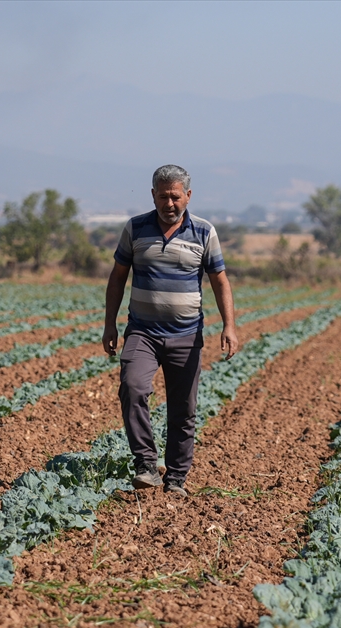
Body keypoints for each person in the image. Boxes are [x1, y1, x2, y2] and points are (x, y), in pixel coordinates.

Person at [102, 164, 237, 497]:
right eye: (163, 196)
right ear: (153, 196)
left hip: (186, 336)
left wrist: (229, 326)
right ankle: (146, 465)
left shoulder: (204, 232)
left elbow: (220, 281)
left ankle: (176, 477)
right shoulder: (135, 229)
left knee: (183, 408)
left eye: (175, 197)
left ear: (188, 196)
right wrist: (109, 323)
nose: (169, 204)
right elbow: (118, 277)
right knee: (132, 388)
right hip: (142, 333)